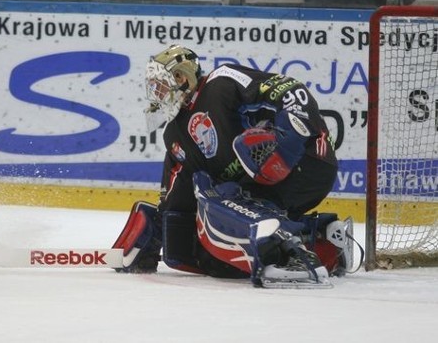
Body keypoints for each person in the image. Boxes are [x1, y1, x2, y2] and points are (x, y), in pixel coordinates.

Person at [112, 45, 357, 288]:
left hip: (305, 161)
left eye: (161, 86)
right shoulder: (176, 133)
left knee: (220, 197)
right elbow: (181, 191)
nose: (158, 94)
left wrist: (287, 145)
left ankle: (295, 257)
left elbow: (292, 91)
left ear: (181, 78)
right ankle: (324, 240)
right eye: (154, 88)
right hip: (262, 190)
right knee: (211, 258)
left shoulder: (222, 82)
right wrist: (154, 232)